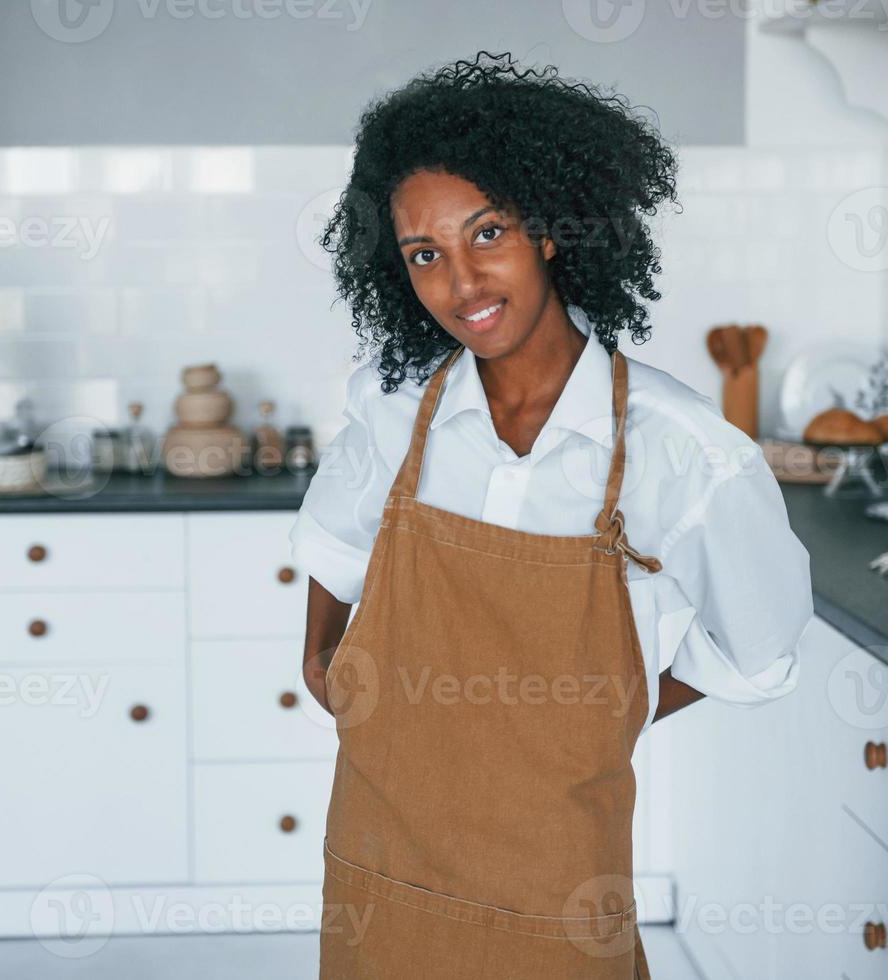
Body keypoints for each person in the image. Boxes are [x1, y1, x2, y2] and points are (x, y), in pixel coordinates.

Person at [289, 51, 814, 979]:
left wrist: (612, 710)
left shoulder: (682, 451)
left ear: (553, 233)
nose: (461, 283)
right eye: (425, 254)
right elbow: (334, 543)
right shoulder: (393, 404)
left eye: (487, 234)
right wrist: (323, 657)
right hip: (383, 840)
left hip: (556, 868)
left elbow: (760, 651)